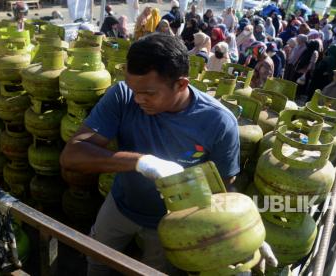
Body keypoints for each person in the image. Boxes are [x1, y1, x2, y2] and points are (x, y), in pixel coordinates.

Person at [59, 33, 241, 275]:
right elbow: (71, 156)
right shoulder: (123, 96)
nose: (138, 99)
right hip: (120, 205)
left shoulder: (218, 123)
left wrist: (240, 235)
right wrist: (141, 162)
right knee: (97, 261)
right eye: (134, 89)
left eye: (149, 93)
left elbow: (224, 190)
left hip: (173, 224)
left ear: (181, 84)